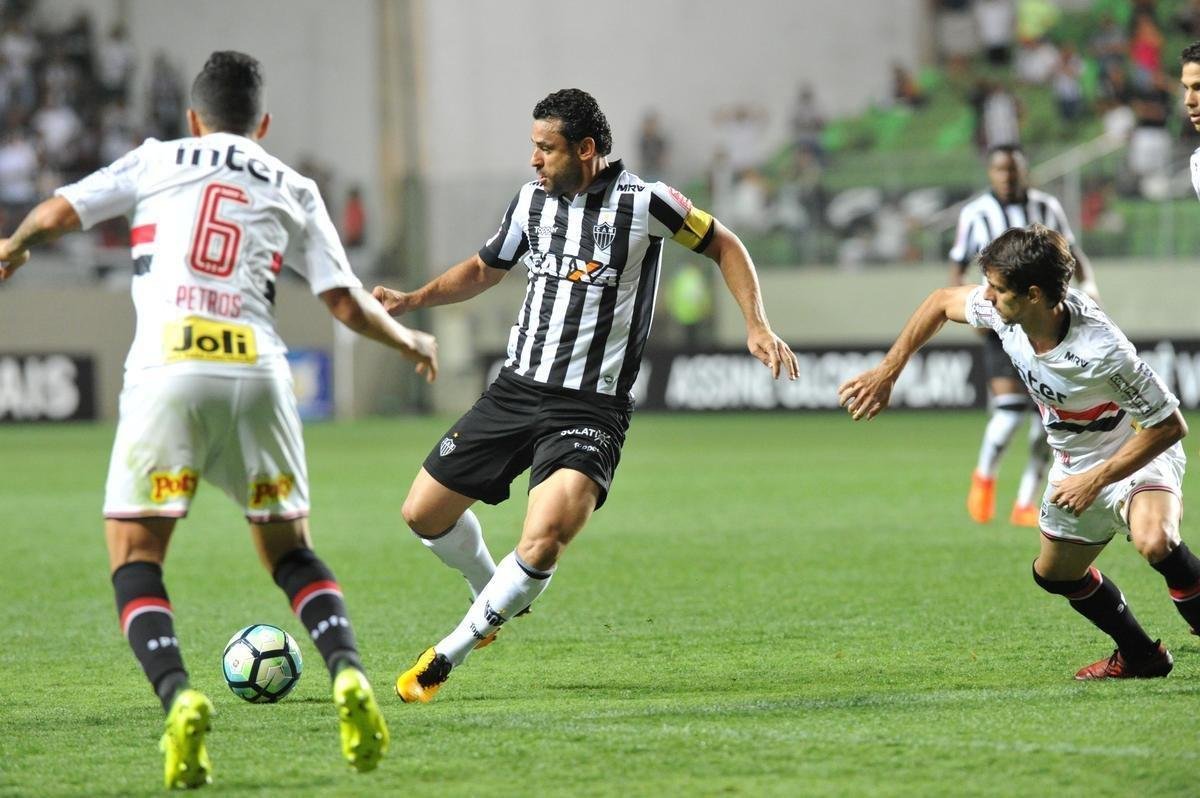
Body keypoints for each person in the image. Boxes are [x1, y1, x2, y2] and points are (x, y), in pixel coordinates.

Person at [0, 51, 438, 788]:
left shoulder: (156, 157)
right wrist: (409, 338)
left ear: (193, 117)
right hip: (258, 371)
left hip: (168, 367)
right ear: (262, 124)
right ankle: (348, 675)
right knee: (290, 552)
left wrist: (15, 247)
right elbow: (341, 301)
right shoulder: (292, 183)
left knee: (136, 553)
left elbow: (57, 212)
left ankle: (178, 696)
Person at [372, 88, 797, 703]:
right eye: (534, 148)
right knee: (422, 513)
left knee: (544, 536)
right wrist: (414, 299)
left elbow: (725, 243)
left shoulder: (646, 203)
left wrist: (756, 323)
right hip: (516, 390)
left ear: (587, 149)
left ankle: (448, 653)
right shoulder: (530, 203)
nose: (534, 160)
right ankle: (493, 592)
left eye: (546, 148)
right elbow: (486, 267)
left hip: (588, 408)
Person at [839, 224, 1200, 680]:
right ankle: (1140, 656)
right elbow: (939, 302)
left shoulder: (1103, 349)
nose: (986, 297)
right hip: (1074, 465)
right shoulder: (1005, 315)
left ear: (1033, 295)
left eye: (996, 288)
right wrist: (887, 372)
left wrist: (1098, 479)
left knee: (1156, 541)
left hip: (1132, 452)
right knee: (1055, 575)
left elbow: (1168, 426)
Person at [949, 144, 1098, 527]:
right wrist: (967, 308)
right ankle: (983, 478)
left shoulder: (1046, 207)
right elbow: (957, 266)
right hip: (1000, 320)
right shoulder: (975, 213)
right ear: (991, 173)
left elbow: (1071, 251)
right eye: (1001, 169)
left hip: (1045, 320)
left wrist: (1090, 285)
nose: (1008, 176)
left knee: (1046, 419)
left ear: (1024, 171)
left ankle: (1026, 502)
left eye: (1014, 170)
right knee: (1010, 411)